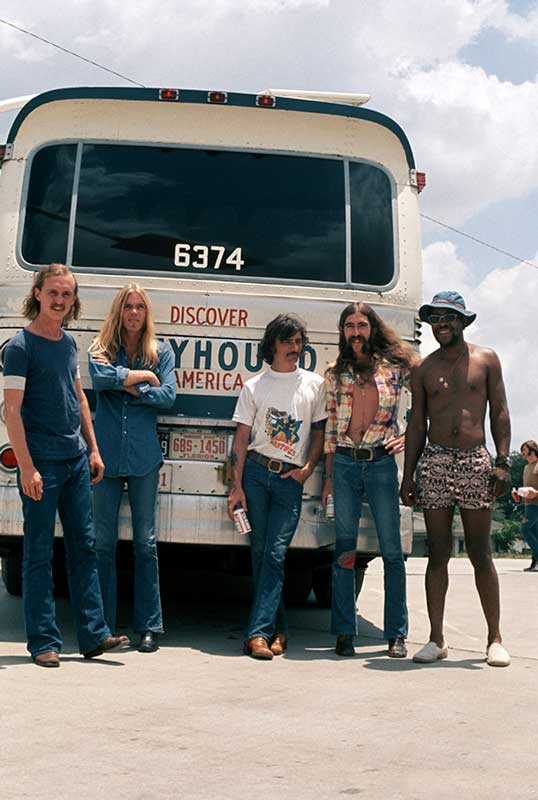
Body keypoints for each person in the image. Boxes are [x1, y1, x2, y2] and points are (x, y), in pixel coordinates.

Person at [3, 264, 129, 667]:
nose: (60, 300)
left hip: (75, 461)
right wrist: (26, 467)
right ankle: (43, 643)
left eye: (67, 295)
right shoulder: (20, 347)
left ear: (73, 301)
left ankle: (94, 636)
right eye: (53, 292)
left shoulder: (68, 343)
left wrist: (93, 449)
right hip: (42, 463)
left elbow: (79, 400)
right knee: (38, 554)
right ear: (38, 293)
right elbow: (12, 411)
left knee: (84, 549)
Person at [400, 290, 512, 667]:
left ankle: (494, 638)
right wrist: (408, 474)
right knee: (437, 552)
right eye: (435, 318)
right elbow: (416, 423)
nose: (441, 324)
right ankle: (436, 639)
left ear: (463, 320)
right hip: (435, 461)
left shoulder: (486, 360)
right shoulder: (423, 368)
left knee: (481, 553)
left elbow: (499, 410)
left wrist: (502, 461)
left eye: (448, 317)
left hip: (474, 461)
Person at [227, 314, 327, 659]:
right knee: (260, 554)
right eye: (288, 342)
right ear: (272, 345)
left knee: (274, 553)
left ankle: (255, 634)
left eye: (300, 342)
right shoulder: (254, 386)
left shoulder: (313, 385)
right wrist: (236, 487)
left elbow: (318, 433)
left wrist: (308, 468)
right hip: (255, 475)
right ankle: (278, 630)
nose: (295, 348)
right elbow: (240, 440)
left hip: (289, 480)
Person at [322, 302, 415, 658]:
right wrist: (329, 478)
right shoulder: (335, 373)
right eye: (349, 326)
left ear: (372, 328)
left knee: (392, 551)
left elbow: (427, 402)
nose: (356, 332)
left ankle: (396, 634)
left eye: (361, 325)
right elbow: (331, 426)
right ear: (343, 331)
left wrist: (408, 436)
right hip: (345, 463)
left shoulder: (395, 369)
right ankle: (344, 632)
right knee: (344, 550)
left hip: (380, 464)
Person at [89, 284, 176, 653]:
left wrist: (124, 384)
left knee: (146, 543)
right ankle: (101, 625)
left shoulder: (162, 351)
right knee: (102, 545)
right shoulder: (101, 348)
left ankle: (148, 627)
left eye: (140, 307)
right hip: (105, 458)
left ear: (147, 312)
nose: (135, 313)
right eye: (128, 306)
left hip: (143, 459)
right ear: (119, 311)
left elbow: (169, 396)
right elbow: (97, 379)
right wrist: (141, 378)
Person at [512, 440, 538, 572]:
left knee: (525, 528)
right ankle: (535, 563)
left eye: (525, 450)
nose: (522, 453)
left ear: (532, 450)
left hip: (536, 505)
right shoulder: (526, 467)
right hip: (528, 504)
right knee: (534, 532)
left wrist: (536, 493)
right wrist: (518, 495)